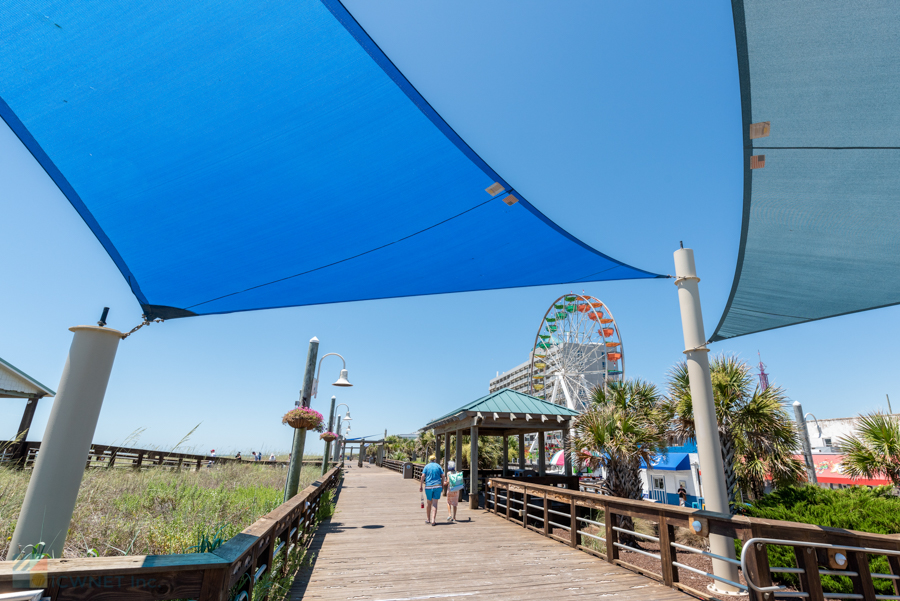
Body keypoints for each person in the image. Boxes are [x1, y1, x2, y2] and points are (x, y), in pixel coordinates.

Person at [419, 455, 443, 526]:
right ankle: (433, 520)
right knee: (435, 503)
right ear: (435, 460)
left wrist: (421, 486)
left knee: (429, 502)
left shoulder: (427, 466)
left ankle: (428, 519)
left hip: (428, 486)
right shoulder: (438, 466)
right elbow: (443, 476)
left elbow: (423, 476)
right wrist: (442, 484)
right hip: (437, 486)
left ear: (429, 460)